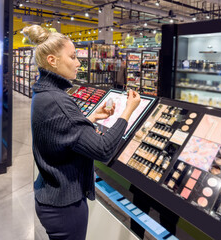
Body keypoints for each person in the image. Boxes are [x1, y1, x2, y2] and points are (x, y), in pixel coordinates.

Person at [22, 25, 141, 240]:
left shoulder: (44, 92)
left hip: (50, 196)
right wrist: (128, 111)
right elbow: (103, 149)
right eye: (73, 56)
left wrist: (90, 118)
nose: (79, 63)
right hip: (64, 207)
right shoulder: (58, 101)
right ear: (52, 60)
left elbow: (58, 130)